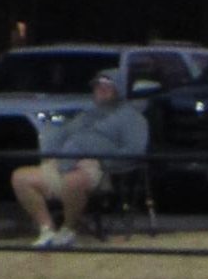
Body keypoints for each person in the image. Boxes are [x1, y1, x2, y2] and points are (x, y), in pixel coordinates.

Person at [9, 71, 149, 249]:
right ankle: (47, 230)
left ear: (118, 89)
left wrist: (104, 162)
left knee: (73, 181)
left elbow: (134, 151)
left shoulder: (132, 118)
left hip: (100, 168)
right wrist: (52, 151)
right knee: (21, 177)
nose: (102, 89)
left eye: (108, 86)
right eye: (99, 86)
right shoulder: (85, 115)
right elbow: (63, 133)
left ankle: (67, 230)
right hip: (64, 162)